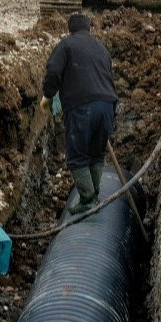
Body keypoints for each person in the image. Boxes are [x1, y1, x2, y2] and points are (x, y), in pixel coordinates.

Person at [41, 13, 119, 214]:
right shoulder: (101, 48)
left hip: (82, 107)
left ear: (69, 31)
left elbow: (53, 71)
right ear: (90, 30)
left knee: (77, 156)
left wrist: (48, 95)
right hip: (108, 106)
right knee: (96, 153)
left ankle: (87, 199)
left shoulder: (66, 45)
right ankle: (94, 193)